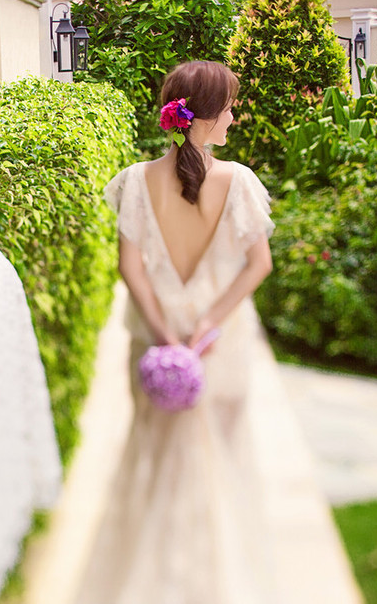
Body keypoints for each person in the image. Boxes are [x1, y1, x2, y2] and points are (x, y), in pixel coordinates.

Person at [75, 60, 279, 603]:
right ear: (206, 116)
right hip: (220, 348)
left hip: (155, 346)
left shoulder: (136, 181)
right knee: (224, 467)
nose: (234, 117)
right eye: (229, 107)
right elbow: (259, 265)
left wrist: (166, 336)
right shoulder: (240, 182)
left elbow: (130, 269)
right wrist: (207, 327)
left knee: (151, 459)